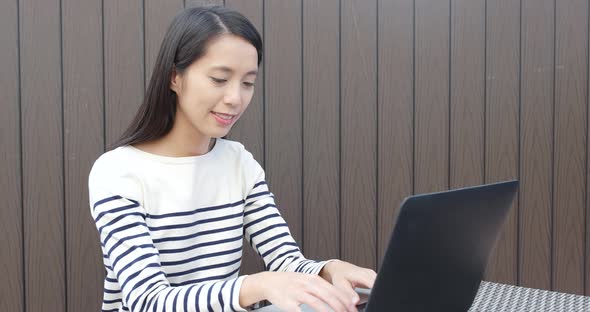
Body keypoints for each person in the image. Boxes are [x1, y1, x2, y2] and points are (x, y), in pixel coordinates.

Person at [89, 6, 376, 312]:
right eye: (219, 79)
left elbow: (285, 261)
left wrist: (329, 270)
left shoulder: (238, 163)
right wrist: (256, 285)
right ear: (174, 77)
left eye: (247, 83)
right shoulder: (118, 172)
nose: (235, 98)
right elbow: (148, 301)